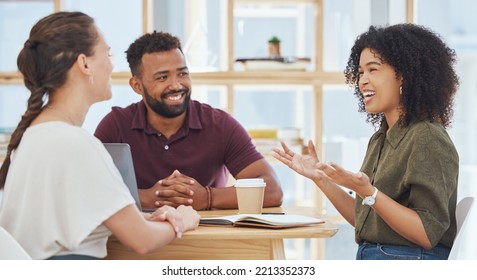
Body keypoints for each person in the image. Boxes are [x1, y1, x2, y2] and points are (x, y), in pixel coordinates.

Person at [0, 11, 199, 260]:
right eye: (108, 54)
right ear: (84, 64)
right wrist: (183, 220)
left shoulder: (31, 138)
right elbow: (142, 240)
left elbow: (67, 221)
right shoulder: (76, 144)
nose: (112, 64)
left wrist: (146, 218)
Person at [273, 23, 459, 260]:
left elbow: (426, 232)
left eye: (373, 70)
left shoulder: (427, 137)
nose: (363, 81)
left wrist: (368, 191)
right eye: (361, 72)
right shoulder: (381, 138)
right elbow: (365, 220)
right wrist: (321, 179)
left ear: (404, 76)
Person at [94, 31, 283, 211]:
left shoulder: (220, 125)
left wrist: (207, 198)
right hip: (138, 241)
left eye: (183, 74)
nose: (176, 85)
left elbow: (273, 190)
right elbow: (87, 189)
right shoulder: (116, 125)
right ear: (137, 86)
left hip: (210, 241)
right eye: (162, 77)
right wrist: (146, 198)